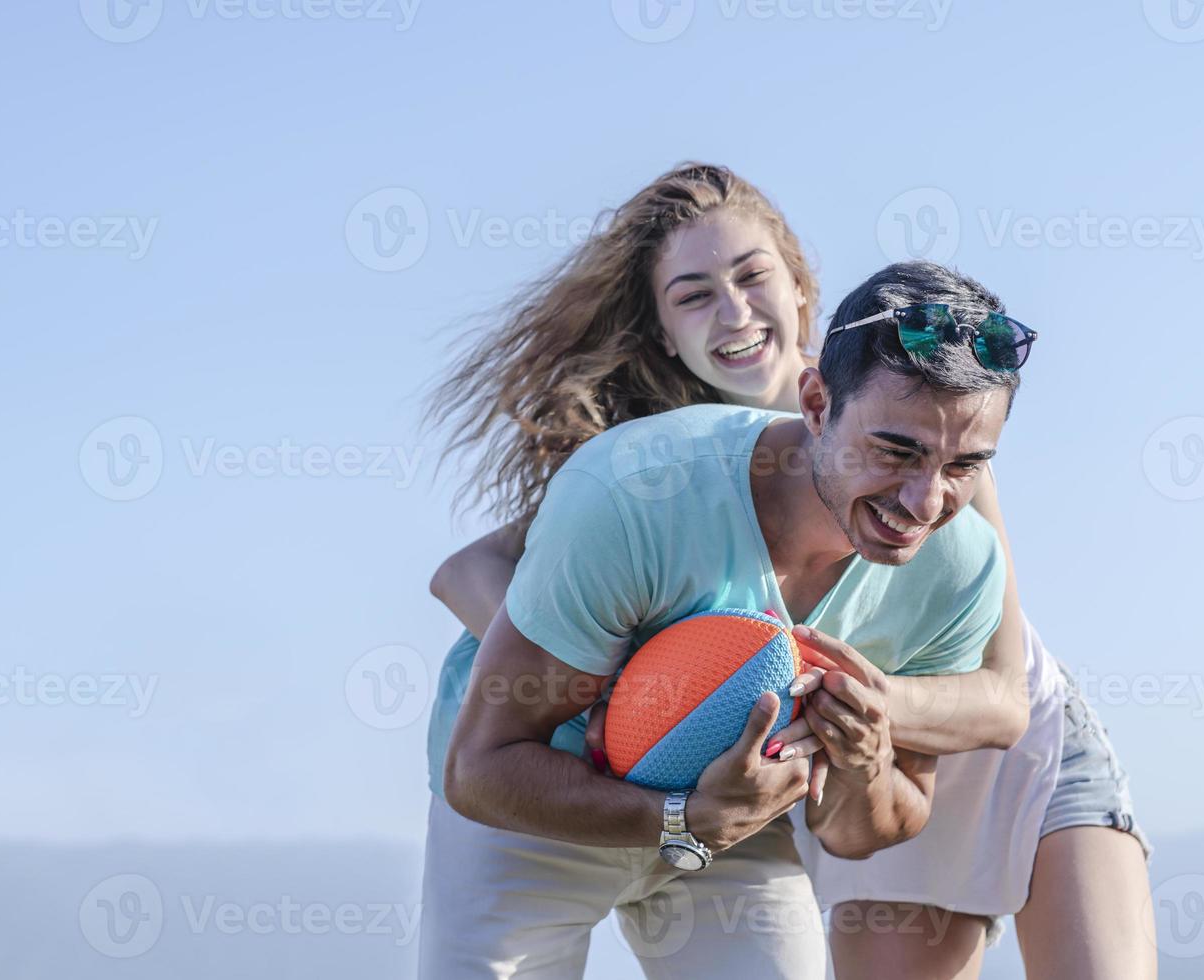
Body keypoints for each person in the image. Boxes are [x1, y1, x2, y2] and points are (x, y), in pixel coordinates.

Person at [422, 164, 1153, 979]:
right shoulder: (640, 476)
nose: (924, 497)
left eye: (751, 276)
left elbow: (989, 708)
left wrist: (858, 724)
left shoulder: (944, 482)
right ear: (816, 406)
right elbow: (471, 608)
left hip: (828, 774)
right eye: (694, 294)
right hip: (571, 781)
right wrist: (643, 688)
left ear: (800, 284)